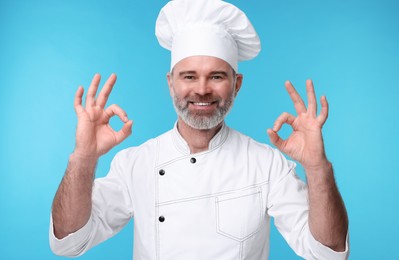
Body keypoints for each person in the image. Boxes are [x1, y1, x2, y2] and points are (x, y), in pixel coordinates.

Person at [50, 0, 349, 259]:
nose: (202, 90)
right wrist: (83, 159)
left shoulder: (267, 165)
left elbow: (328, 253)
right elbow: (69, 241)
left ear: (237, 84)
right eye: (189, 76)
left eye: (216, 76)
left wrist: (317, 168)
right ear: (171, 83)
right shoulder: (135, 164)